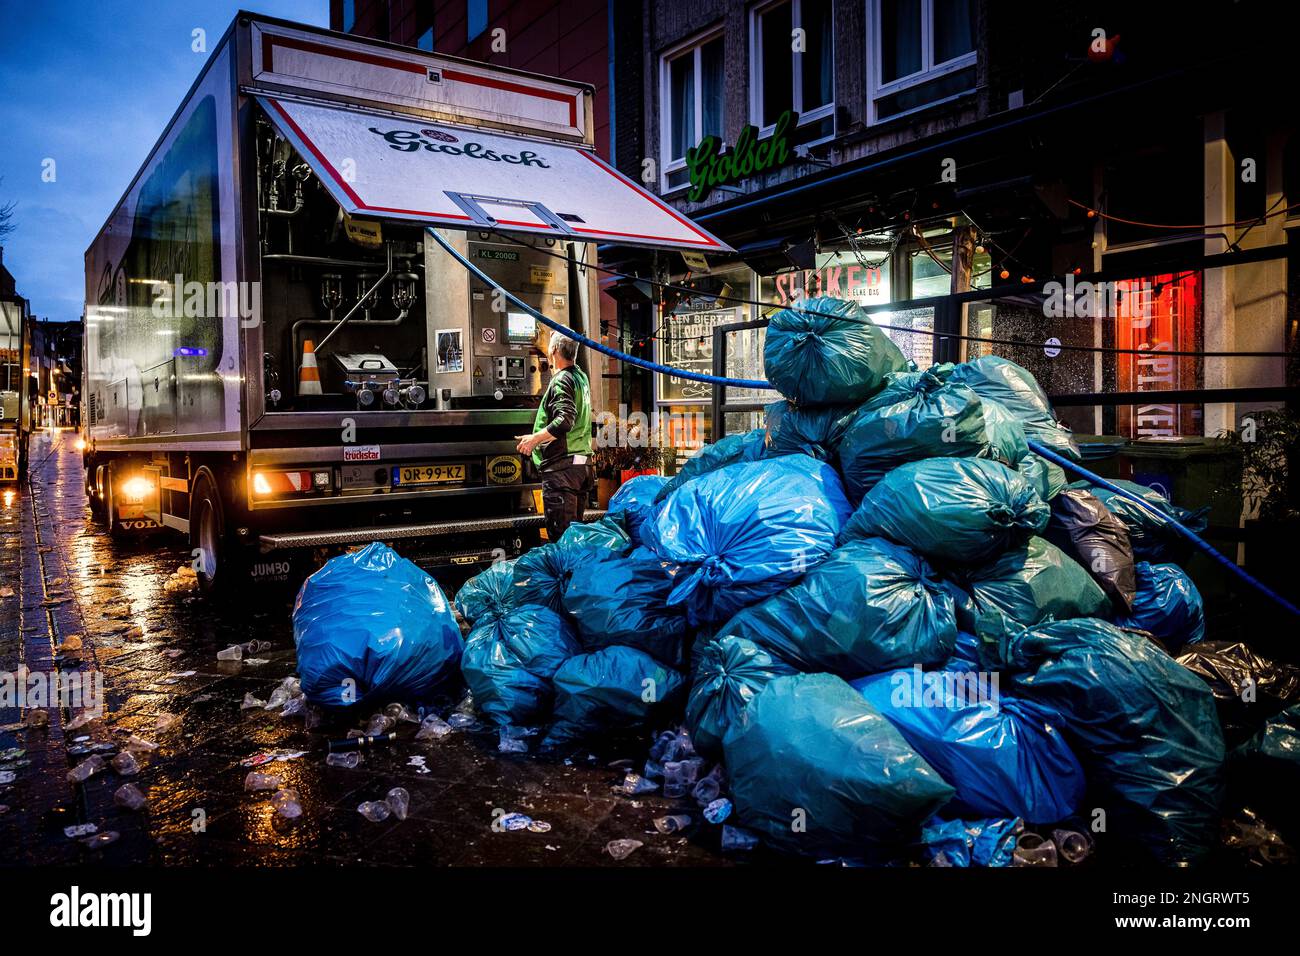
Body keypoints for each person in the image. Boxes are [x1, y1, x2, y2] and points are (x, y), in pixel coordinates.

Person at [516, 332, 593, 542]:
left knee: (561, 540)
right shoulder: (580, 377)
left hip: (563, 471)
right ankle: (574, 574)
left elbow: (565, 421)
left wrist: (534, 439)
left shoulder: (562, 379)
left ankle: (566, 575)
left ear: (554, 351)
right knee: (572, 539)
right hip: (581, 467)